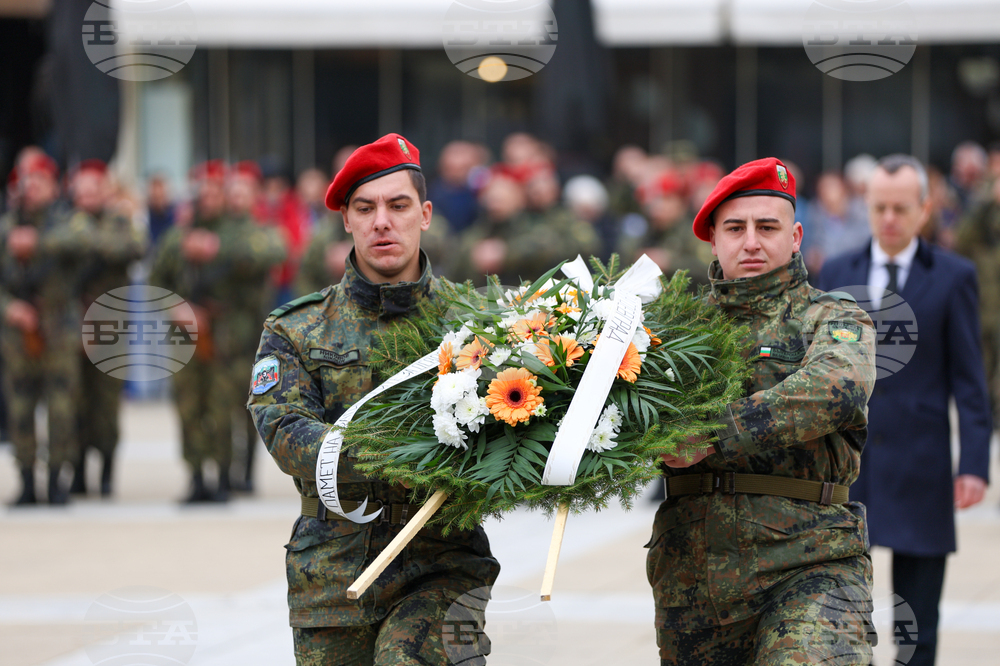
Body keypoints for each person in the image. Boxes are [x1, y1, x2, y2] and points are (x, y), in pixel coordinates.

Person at [247, 133, 500, 665]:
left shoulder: (478, 322)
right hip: (333, 573)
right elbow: (285, 432)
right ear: (347, 220)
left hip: (444, 561)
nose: (382, 221)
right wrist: (402, 449)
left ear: (425, 214)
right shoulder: (297, 327)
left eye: (398, 205)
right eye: (365, 208)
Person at [646, 157, 878, 664]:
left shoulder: (834, 315)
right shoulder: (671, 329)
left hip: (810, 562)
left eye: (766, 227)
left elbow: (835, 389)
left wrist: (714, 435)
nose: (751, 241)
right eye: (735, 228)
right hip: (693, 580)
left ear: (795, 236)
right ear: (714, 239)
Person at [818, 155, 991, 666]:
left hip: (923, 461)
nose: (889, 218)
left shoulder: (954, 276)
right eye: (879, 208)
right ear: (866, 207)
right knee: (844, 609)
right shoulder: (838, 270)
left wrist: (975, 465)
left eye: (900, 208)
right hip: (851, 462)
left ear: (923, 210)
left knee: (920, 625)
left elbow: (969, 380)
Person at [150, 160, 285, 503]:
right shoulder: (177, 238)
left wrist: (216, 248)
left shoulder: (239, 232)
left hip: (231, 337)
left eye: (215, 191)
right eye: (202, 192)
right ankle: (196, 476)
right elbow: (156, 282)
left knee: (225, 406)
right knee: (189, 406)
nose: (208, 198)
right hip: (188, 335)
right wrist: (175, 308)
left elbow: (273, 250)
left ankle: (226, 475)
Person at [1, 152, 93, 505]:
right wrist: (10, 308)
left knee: (61, 407)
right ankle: (26, 480)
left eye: (38, 180)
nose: (30, 187)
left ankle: (57, 479)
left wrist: (38, 241)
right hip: (17, 332)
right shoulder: (7, 227)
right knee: (21, 407)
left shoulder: (67, 222)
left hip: (59, 328)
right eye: (25, 180)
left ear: (53, 186)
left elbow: (84, 241)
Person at [68, 160, 147, 497]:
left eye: (93, 189)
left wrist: (88, 240)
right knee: (73, 402)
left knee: (105, 403)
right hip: (71, 325)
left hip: (110, 327)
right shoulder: (64, 221)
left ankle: (106, 470)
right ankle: (76, 471)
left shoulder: (119, 221)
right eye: (81, 190)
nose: (87, 197)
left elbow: (135, 247)